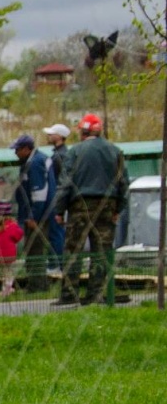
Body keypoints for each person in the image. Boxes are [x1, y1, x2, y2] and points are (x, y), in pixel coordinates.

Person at [52, 112, 129, 306]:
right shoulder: (115, 151)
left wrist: (59, 210)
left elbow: (65, 183)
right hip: (107, 205)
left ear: (83, 132)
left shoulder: (75, 151)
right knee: (102, 251)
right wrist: (118, 209)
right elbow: (123, 183)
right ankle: (96, 293)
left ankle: (69, 293)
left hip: (80, 206)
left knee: (73, 249)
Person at [12, 133, 56, 291]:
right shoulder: (36, 160)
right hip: (36, 213)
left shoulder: (35, 163)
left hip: (37, 215)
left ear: (26, 149)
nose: (16, 153)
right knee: (33, 249)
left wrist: (33, 216)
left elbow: (39, 192)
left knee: (35, 250)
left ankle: (37, 285)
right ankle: (36, 283)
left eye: (17, 149)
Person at [43, 122, 71, 287]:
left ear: (59, 137)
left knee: (56, 233)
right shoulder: (60, 154)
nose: (48, 136)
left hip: (57, 199)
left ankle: (57, 264)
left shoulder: (59, 157)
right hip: (60, 199)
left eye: (51, 133)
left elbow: (60, 182)